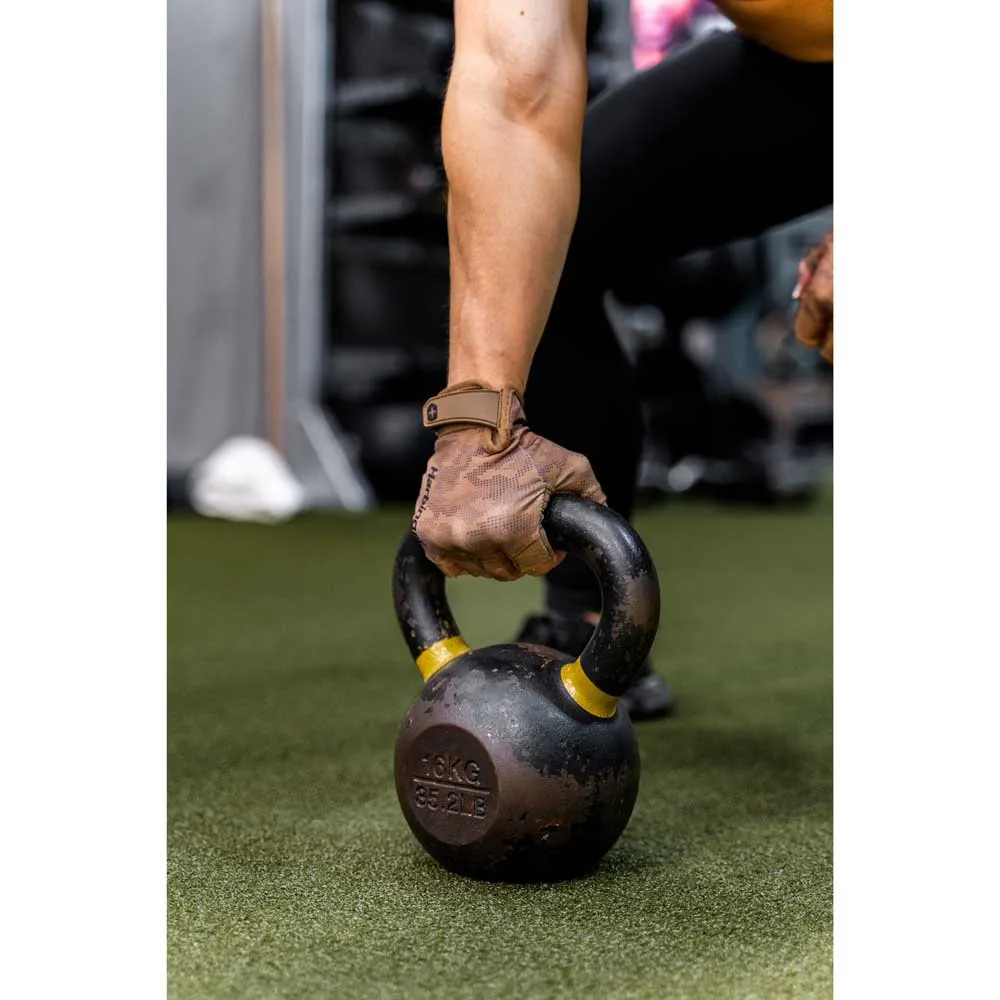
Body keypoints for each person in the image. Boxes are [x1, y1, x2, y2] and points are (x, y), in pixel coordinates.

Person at [411, 0, 834, 719]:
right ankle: (591, 624)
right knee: (539, 243)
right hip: (809, 61)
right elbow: (512, 89)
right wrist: (478, 416)